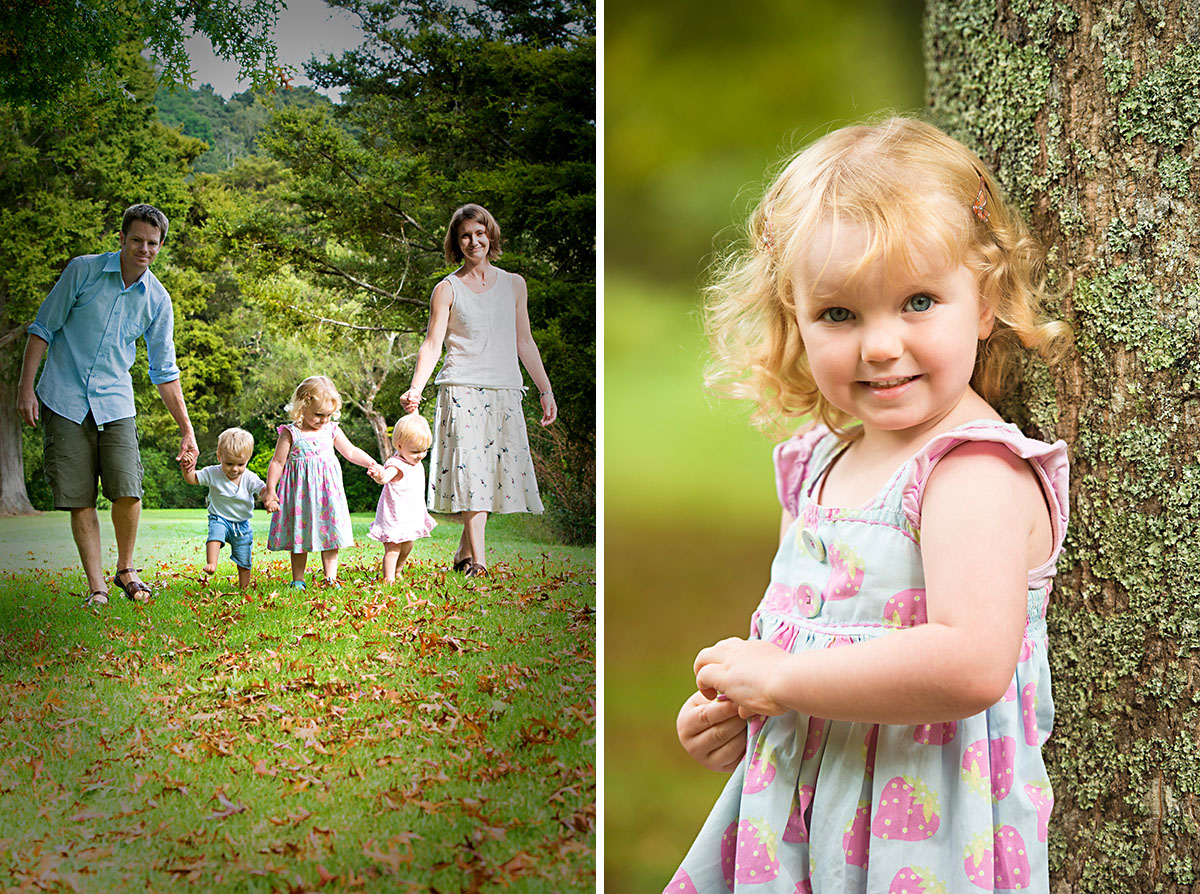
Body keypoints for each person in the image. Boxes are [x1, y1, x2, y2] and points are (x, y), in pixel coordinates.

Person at [665, 117, 1072, 893]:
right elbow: (796, 632)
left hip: (916, 838)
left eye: (918, 301)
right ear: (797, 319)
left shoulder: (970, 472)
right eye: (840, 314)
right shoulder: (820, 464)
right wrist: (739, 710)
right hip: (795, 821)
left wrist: (783, 679)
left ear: (984, 303)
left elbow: (970, 664)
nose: (880, 345)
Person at [16, 203, 198, 608]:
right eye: (136, 240)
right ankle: (98, 587)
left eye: (152, 243)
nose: (143, 249)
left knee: (128, 489)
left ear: (160, 245)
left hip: (115, 402)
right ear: (122, 238)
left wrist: (186, 428)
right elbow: (42, 328)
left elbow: (164, 370)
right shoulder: (83, 271)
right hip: (63, 398)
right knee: (79, 496)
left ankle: (126, 570)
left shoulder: (158, 300)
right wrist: (25, 388)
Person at [400, 204, 556, 578]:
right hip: (461, 388)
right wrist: (415, 388)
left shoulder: (514, 284)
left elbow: (525, 342)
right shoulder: (447, 288)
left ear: (491, 236)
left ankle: (463, 552)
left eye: (480, 233)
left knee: (489, 473)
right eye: (465, 235)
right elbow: (432, 343)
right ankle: (479, 564)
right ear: (457, 242)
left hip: (504, 390)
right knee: (472, 474)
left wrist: (545, 390)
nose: (474, 241)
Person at [264, 375, 381, 589]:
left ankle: (330, 578)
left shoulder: (331, 430)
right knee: (299, 537)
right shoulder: (291, 433)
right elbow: (277, 463)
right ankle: (298, 580)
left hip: (327, 494)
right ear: (303, 405)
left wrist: (371, 463)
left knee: (330, 534)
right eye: (318, 414)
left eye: (328, 415)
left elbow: (351, 452)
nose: (323, 420)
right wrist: (270, 490)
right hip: (300, 495)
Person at [179, 427, 276, 589]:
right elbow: (192, 479)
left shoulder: (249, 477)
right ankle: (212, 563)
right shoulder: (213, 473)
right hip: (219, 518)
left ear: (248, 460)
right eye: (229, 463)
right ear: (219, 457)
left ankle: (244, 587)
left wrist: (270, 500)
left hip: (242, 524)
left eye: (240, 464)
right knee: (215, 536)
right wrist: (186, 468)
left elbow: (263, 490)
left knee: (244, 559)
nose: (235, 469)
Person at [367, 413, 437, 581]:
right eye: (415, 451)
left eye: (424, 450)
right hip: (395, 516)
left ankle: (398, 571)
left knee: (408, 544)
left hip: (410, 514)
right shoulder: (396, 465)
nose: (420, 455)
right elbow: (384, 477)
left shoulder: (415, 461)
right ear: (399, 445)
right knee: (393, 549)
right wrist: (378, 474)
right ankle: (388, 579)